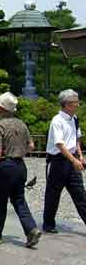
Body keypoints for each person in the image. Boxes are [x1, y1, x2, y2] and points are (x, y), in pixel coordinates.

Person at [0, 91, 41, 247]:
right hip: (20, 166)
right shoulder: (21, 124)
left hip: (5, 166)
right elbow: (31, 145)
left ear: (2, 108)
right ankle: (31, 229)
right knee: (19, 200)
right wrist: (19, 151)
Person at [43, 89, 86, 233]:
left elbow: (76, 138)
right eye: (75, 102)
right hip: (58, 161)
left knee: (80, 194)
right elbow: (59, 144)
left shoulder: (74, 119)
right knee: (53, 194)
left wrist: (80, 155)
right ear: (67, 104)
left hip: (72, 159)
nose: (78, 105)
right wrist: (74, 160)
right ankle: (48, 224)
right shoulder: (57, 120)